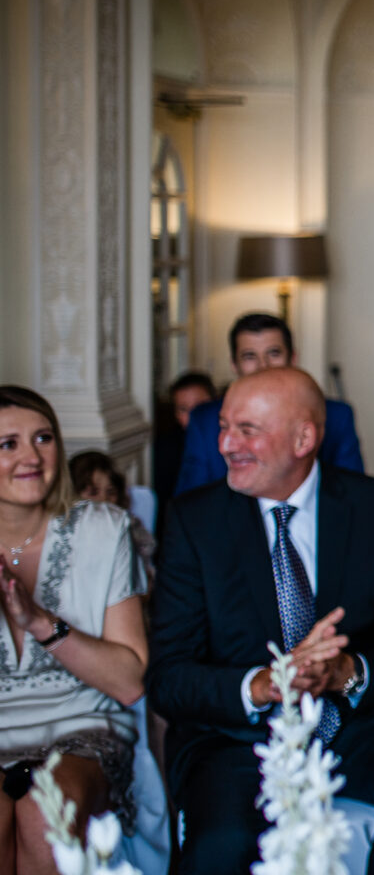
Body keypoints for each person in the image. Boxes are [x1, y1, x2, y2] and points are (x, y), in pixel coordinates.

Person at [147, 367, 374, 874]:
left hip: (356, 723)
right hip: (237, 740)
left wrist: (345, 672)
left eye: (247, 429)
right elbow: (167, 678)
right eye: (223, 427)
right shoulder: (192, 521)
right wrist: (264, 685)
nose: (225, 444)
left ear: (304, 438)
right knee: (219, 845)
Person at [0, 386, 148, 873]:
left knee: (48, 816)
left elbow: (128, 682)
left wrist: (40, 622)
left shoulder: (104, 530)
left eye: (43, 438)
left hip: (82, 727)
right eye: (9, 444)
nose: (31, 456)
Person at [175, 313, 364, 494]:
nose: (263, 365)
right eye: (250, 356)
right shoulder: (204, 420)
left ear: (293, 358)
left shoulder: (336, 416)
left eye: (273, 353)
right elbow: (190, 504)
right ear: (234, 364)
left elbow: (354, 493)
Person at [69, 449, 155, 577]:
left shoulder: (128, 523)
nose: (104, 500)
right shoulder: (67, 530)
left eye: (111, 492)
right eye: (93, 493)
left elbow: (146, 551)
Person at [153, 371, 215, 519]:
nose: (193, 415)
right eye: (183, 409)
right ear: (175, 414)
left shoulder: (231, 442)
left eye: (200, 406)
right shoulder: (166, 449)